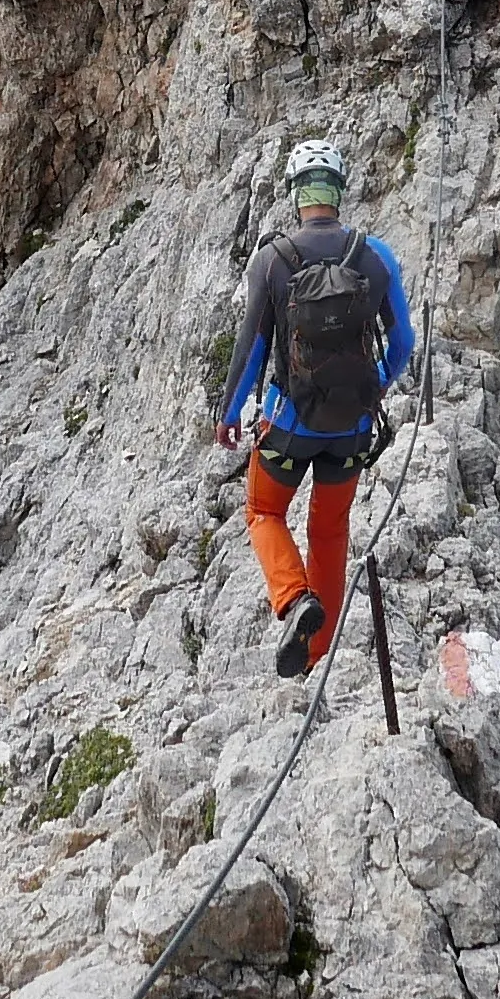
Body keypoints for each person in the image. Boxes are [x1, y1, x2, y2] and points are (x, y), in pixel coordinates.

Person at [212, 135, 415, 678]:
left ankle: (294, 599)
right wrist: (372, 386)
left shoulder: (273, 261)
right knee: (330, 530)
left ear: (296, 194)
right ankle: (317, 656)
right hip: (351, 428)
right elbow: (403, 346)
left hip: (287, 424)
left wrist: (229, 415)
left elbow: (252, 348)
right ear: (339, 192)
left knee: (263, 512)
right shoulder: (375, 257)